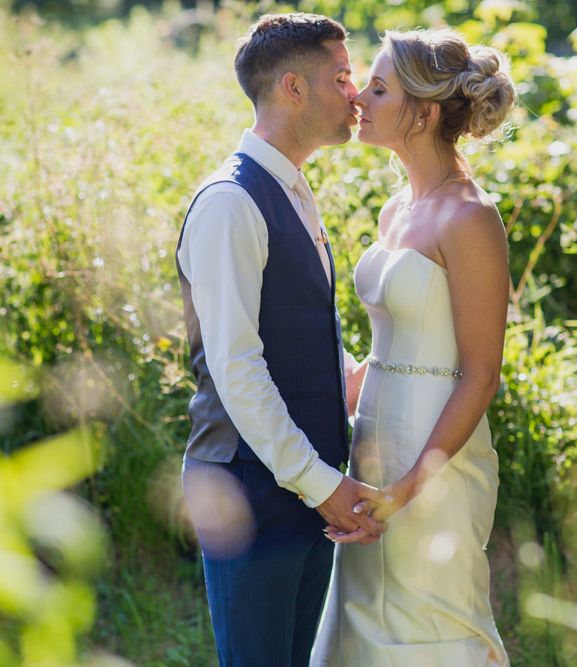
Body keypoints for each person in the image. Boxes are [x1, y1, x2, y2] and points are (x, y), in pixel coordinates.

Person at [175, 13, 389, 667]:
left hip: (304, 482)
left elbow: (296, 329)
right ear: (293, 88)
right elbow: (236, 365)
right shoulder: (230, 202)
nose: (355, 94)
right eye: (342, 77)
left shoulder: (293, 190)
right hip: (250, 489)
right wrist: (320, 481)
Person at [311, 28, 515, 666]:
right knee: (362, 606)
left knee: (428, 611)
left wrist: (406, 487)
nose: (358, 98)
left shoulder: (471, 218)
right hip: (370, 436)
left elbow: (480, 374)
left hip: (436, 452)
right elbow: (397, 341)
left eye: (378, 88)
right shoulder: (396, 209)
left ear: (424, 112)